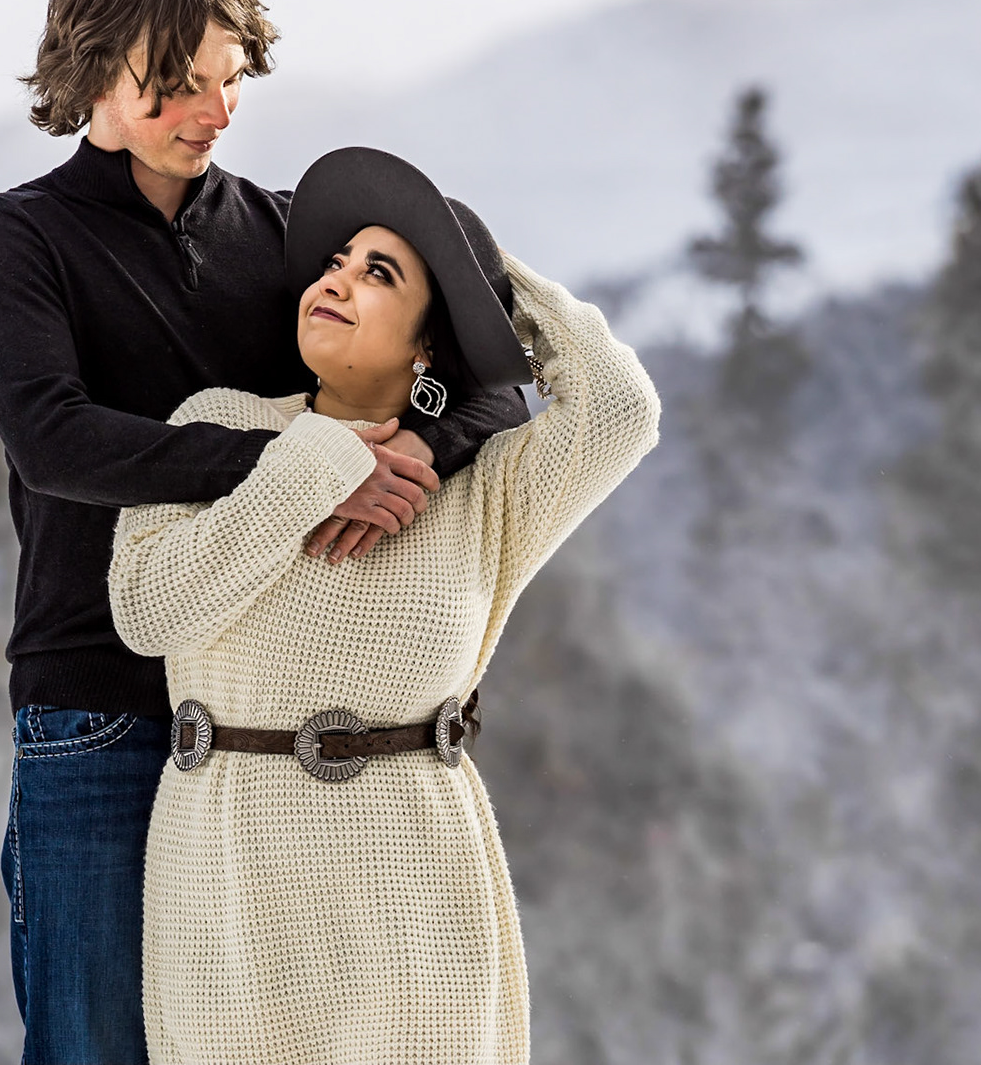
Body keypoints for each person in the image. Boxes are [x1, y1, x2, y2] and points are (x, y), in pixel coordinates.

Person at [0, 0, 529, 1064]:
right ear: (89, 69)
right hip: (101, 710)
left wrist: (413, 442)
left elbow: (475, 381)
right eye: (176, 85)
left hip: (264, 728)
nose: (212, 110)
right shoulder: (18, 237)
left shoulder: (279, 237)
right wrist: (303, 463)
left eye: (227, 80)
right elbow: (52, 440)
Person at [108, 146, 661, 1064]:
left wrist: (487, 278)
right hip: (229, 899)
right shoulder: (222, 425)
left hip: (416, 908)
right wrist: (322, 463)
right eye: (333, 262)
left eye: (380, 274)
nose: (337, 279)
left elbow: (619, 411)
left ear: (428, 343)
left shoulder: (483, 491)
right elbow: (149, 611)